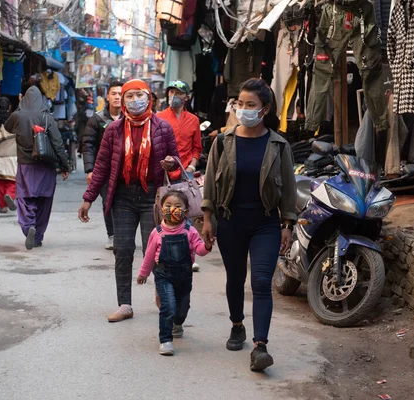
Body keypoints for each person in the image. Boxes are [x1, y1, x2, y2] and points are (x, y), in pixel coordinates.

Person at [201, 78, 297, 371]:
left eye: (250, 105)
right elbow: (210, 183)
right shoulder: (223, 141)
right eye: (239, 104)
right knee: (234, 278)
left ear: (264, 109)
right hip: (231, 221)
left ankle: (260, 346)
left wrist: (287, 224)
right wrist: (207, 218)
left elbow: (289, 188)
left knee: (260, 283)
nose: (243, 109)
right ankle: (237, 324)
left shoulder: (279, 145)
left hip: (265, 223)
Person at [78, 79, 179, 323]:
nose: (135, 100)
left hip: (152, 197)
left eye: (139, 95)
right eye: (129, 96)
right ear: (122, 101)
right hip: (122, 198)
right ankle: (125, 304)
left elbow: (176, 161)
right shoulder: (113, 129)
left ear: (149, 98)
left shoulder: (162, 128)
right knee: (122, 251)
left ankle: (161, 291)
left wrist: (171, 163)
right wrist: (88, 199)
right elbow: (102, 165)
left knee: (154, 249)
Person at [137, 190, 211, 355]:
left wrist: (206, 246)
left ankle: (178, 323)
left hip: (185, 276)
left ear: (186, 211)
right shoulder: (157, 233)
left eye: (178, 206)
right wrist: (143, 274)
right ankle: (165, 339)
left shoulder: (189, 230)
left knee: (182, 308)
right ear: (161, 209)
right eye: (168, 205)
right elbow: (149, 255)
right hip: (163, 275)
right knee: (168, 306)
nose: (172, 209)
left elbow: (198, 249)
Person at [4, 86, 70, 250]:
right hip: (45, 166)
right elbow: (57, 143)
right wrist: (64, 165)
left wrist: (20, 106)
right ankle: (38, 236)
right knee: (44, 201)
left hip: (26, 166)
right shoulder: (47, 117)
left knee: (25, 199)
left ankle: (28, 227)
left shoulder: (17, 116)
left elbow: (7, 127)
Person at [157, 79, 203, 272]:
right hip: (164, 173)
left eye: (178, 92)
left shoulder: (193, 120)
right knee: (164, 213)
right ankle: (162, 250)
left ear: (186, 97)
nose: (174, 96)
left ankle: (188, 253)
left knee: (187, 213)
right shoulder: (159, 117)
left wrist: (192, 166)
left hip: (185, 174)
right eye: (171, 92)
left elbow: (196, 148)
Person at [82, 81, 123, 250]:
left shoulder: (129, 119)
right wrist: (90, 169)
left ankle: (123, 234)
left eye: (121, 94)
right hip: (104, 170)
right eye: (114, 94)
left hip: (124, 169)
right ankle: (112, 235)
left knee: (124, 202)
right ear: (107, 96)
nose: (117, 97)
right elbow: (88, 145)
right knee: (108, 201)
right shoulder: (97, 119)